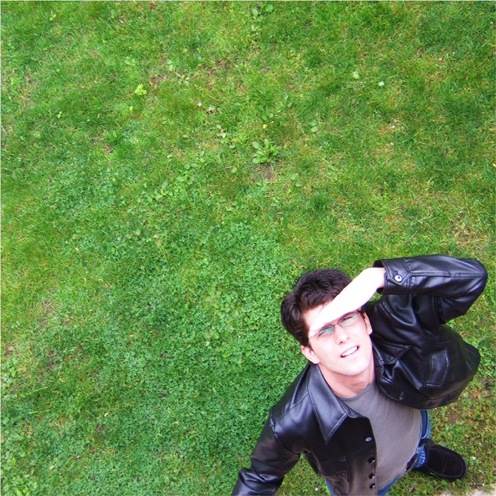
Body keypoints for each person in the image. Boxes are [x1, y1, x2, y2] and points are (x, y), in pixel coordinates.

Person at [232, 255, 487, 496]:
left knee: (417, 442)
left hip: (415, 424)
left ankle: (419, 455)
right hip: (367, 483)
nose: (342, 336)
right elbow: (258, 479)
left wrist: (378, 277)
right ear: (310, 352)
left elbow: (472, 278)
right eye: (324, 330)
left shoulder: (397, 323)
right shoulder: (294, 419)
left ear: (366, 321)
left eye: (347, 318)